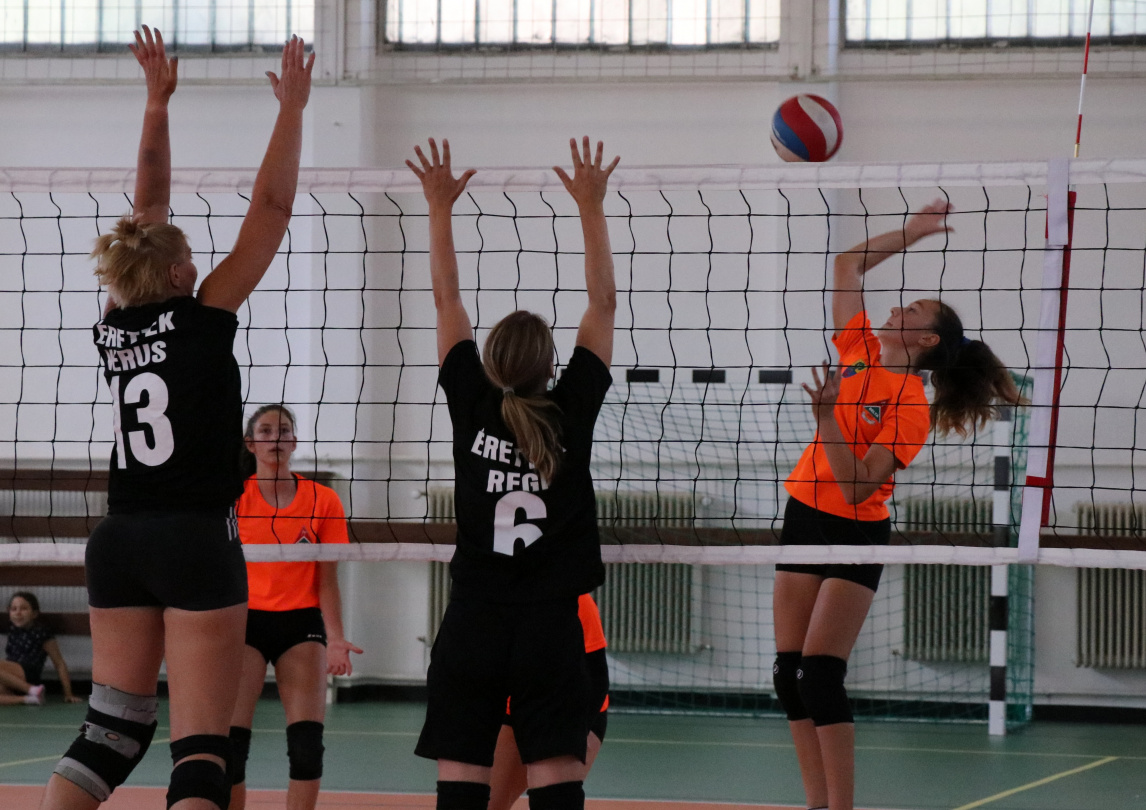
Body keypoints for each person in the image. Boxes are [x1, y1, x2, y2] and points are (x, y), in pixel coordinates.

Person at [41, 26, 313, 810]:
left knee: (111, 734)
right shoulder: (205, 314)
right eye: (188, 255)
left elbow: (148, 208)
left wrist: (156, 104)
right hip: (196, 538)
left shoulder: (115, 323)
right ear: (173, 273)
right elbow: (273, 206)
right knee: (201, 748)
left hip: (119, 539)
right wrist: (291, 111)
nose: (199, 261)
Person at [771, 200, 1025, 810]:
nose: (895, 309)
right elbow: (847, 264)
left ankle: (841, 807)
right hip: (803, 513)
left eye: (911, 310)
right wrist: (911, 233)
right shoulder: (858, 350)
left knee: (819, 673)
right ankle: (815, 804)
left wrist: (827, 419)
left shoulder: (910, 404)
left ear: (927, 339)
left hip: (855, 530)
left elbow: (859, 486)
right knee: (788, 676)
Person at [406, 135, 619, 810]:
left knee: (462, 787)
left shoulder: (469, 399)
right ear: (551, 364)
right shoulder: (571, 408)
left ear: (491, 359)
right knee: (556, 785)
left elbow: (445, 297)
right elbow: (603, 303)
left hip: (474, 619)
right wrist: (590, 205)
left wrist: (438, 207)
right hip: (550, 626)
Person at [228, 404, 363, 810]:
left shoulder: (323, 500)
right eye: (266, 431)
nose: (276, 438)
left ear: (295, 442)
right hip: (244, 621)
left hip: (301, 624)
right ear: (250, 443)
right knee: (231, 746)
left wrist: (336, 638)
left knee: (307, 747)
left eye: (284, 431)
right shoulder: (233, 498)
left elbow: (327, 579)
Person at [488, 594, 608, 810]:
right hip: (513, 709)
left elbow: (596, 679)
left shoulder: (578, 601)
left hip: (569, 713)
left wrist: (572, 737)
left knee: (554, 799)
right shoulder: (490, 598)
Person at [2, 592, 81, 706]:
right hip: (11, 678)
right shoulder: (12, 629)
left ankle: (31, 689)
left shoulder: (42, 633)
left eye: (24, 609)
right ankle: (29, 699)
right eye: (14, 609)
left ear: (34, 613)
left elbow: (59, 663)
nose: (18, 613)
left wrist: (68, 693)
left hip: (28, 673)